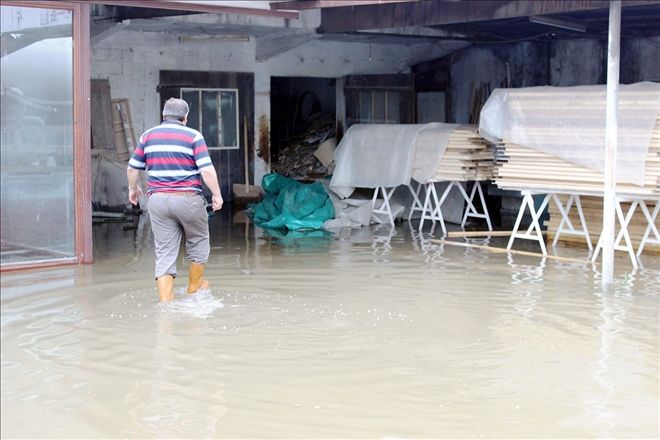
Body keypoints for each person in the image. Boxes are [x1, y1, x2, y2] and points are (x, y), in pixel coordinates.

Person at [127, 98, 223, 302]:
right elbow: (206, 170)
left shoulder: (147, 136)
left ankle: (165, 304)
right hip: (187, 199)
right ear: (185, 117)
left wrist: (132, 188)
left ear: (164, 115)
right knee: (198, 241)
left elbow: (132, 168)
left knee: (164, 252)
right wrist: (216, 194)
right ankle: (193, 288)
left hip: (158, 201)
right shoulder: (193, 136)